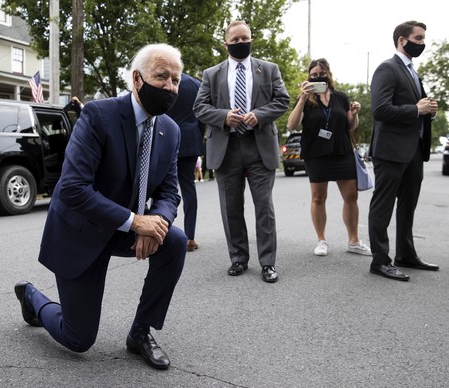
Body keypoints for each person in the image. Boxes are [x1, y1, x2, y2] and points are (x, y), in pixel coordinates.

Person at [14, 43, 187, 370]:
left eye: (175, 80)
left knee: (174, 241)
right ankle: (33, 299)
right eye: (161, 76)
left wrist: (157, 222)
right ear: (137, 79)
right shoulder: (98, 115)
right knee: (78, 339)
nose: (169, 87)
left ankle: (140, 332)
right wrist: (136, 222)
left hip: (124, 228)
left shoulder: (171, 131)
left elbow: (169, 192)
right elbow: (72, 188)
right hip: (81, 231)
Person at [193, 20, 289, 282]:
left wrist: (258, 115)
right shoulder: (211, 74)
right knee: (231, 208)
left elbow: (283, 100)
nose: (240, 43)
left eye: (244, 38)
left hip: (260, 147)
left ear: (251, 39)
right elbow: (199, 108)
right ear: (225, 43)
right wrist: (224, 116)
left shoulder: (269, 70)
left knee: (264, 208)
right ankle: (238, 258)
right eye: (234, 40)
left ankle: (268, 263)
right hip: (227, 147)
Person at [368, 21, 439, 281]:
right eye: (418, 38)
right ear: (402, 40)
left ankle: (406, 254)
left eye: (423, 39)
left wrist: (427, 112)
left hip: (413, 152)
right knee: (383, 206)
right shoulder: (387, 69)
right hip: (390, 151)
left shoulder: (412, 71)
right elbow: (380, 110)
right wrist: (416, 109)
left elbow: (415, 108)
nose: (422, 43)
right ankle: (379, 261)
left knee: (407, 206)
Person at [287, 58, 371, 257]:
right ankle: (321, 240)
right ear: (309, 76)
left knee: (351, 196)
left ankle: (354, 240)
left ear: (329, 74)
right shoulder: (306, 99)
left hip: (341, 150)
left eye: (321, 73)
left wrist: (354, 114)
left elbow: (350, 126)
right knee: (318, 197)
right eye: (313, 74)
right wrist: (301, 98)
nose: (317, 76)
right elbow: (292, 125)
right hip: (316, 153)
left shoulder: (341, 97)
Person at [166, 73, 205, 252]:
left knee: (164, 187)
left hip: (166, 136)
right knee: (188, 186)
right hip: (190, 139)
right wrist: (199, 134)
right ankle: (190, 237)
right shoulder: (195, 84)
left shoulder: (163, 80)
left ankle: (163, 232)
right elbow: (202, 114)